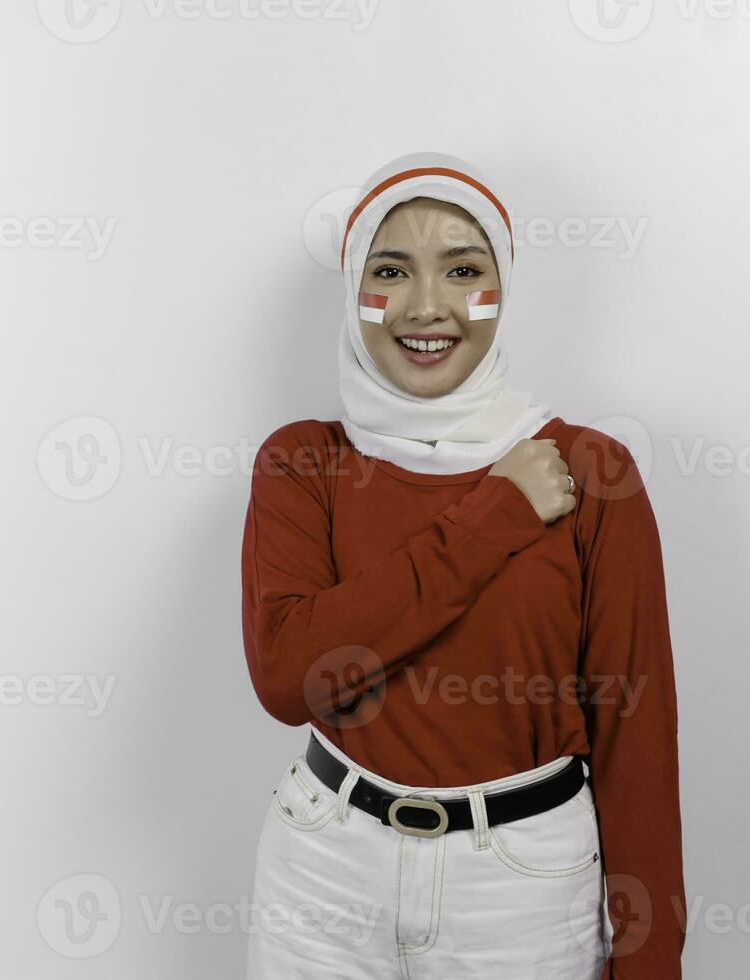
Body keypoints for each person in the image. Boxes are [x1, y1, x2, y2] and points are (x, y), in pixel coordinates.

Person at [240, 150, 685, 978]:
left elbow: (638, 742)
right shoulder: (302, 465)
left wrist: (650, 961)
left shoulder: (590, 473)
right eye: (391, 269)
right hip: (323, 876)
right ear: (354, 291)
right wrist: (494, 518)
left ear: (504, 286)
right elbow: (289, 676)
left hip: (522, 894)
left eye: (463, 268)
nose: (428, 305)